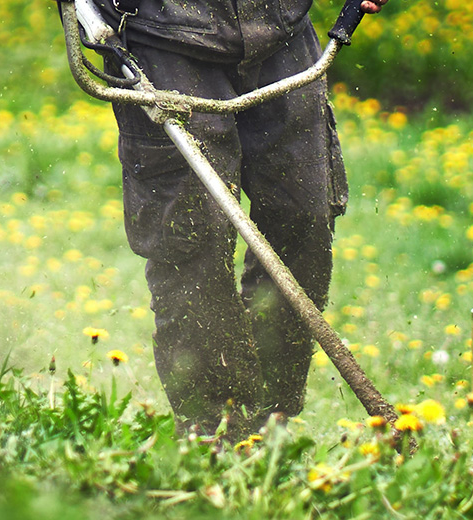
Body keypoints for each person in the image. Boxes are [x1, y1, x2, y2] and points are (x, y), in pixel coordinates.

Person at [92, 0, 388, 439]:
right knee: (193, 243)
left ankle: (270, 421)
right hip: (163, 36)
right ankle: (217, 432)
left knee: (303, 219)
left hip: (281, 25)